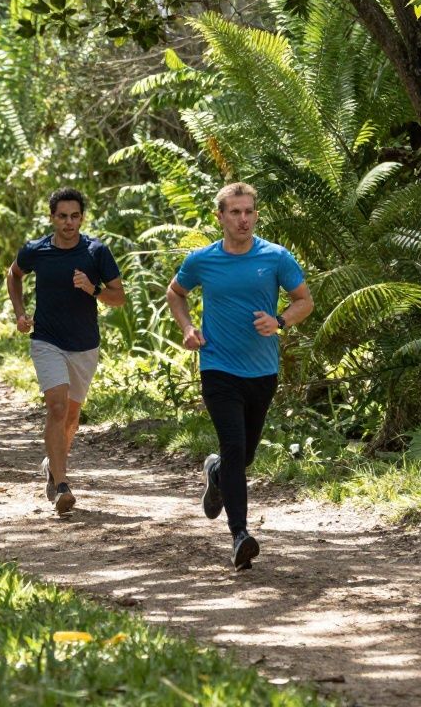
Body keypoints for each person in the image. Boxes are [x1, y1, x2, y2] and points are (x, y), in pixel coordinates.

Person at [166, 182, 313, 570]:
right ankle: (240, 535)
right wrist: (187, 328)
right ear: (220, 216)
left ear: (256, 215)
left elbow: (305, 301)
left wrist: (278, 321)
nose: (243, 219)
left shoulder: (276, 257)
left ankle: (215, 474)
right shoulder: (203, 260)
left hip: (262, 370)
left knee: (242, 456)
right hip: (217, 367)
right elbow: (175, 292)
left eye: (249, 211)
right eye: (235, 212)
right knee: (234, 446)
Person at [7, 187, 125, 514]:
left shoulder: (96, 252)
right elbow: (13, 274)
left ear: (82, 218)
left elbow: (119, 296)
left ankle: (52, 467)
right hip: (46, 340)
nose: (69, 222)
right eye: (62, 216)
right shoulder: (36, 250)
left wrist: (93, 289)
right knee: (57, 408)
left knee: (71, 418)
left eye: (75, 216)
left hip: (85, 345)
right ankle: (61, 485)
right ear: (52, 218)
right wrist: (19, 312)